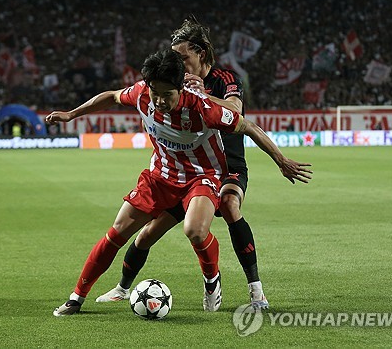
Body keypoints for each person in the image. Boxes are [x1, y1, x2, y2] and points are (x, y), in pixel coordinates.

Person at [47, 48, 312, 316]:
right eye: (155, 93)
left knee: (195, 231)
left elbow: (249, 127)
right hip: (160, 177)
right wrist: (71, 114)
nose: (159, 101)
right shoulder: (141, 93)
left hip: (202, 176)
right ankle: (76, 298)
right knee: (117, 232)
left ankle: (212, 280)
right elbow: (112, 96)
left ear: (180, 89)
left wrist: (281, 160)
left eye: (167, 94)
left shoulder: (203, 108)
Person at [95, 16, 289, 310]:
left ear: (200, 52)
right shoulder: (176, 82)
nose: (178, 61)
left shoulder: (225, 79)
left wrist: (203, 95)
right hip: (190, 174)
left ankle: (256, 291)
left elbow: (236, 110)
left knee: (230, 205)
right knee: (147, 233)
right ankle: (122, 288)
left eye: (183, 56)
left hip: (228, 167)